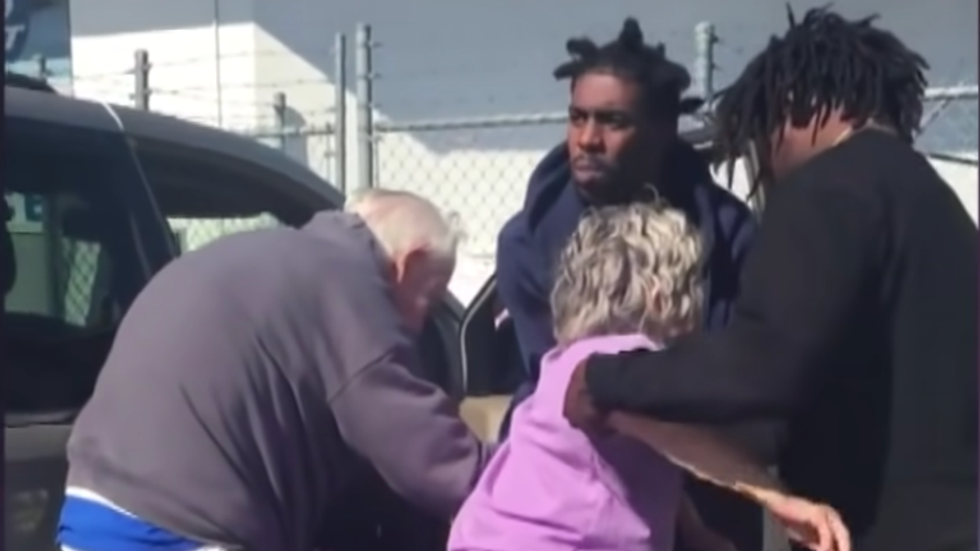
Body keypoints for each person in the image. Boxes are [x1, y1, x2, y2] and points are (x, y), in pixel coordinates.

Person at [564, 7, 978, 551]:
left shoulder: (827, 189)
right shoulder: (939, 207)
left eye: (762, 133)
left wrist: (605, 379)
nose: (769, 162)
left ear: (793, 105)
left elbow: (760, 366)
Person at [57, 189, 494, 551]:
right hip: (182, 528)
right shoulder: (352, 288)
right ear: (409, 263)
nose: (420, 325)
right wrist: (518, 476)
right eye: (430, 300)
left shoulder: (260, 253)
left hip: (87, 509)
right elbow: (422, 446)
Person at [495, 17, 762, 550]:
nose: (587, 139)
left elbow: (732, 379)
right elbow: (561, 387)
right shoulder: (527, 241)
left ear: (662, 130)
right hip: (567, 495)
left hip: (703, 480)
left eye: (612, 121)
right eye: (577, 118)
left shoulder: (728, 236)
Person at [451, 203, 851, 551]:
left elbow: (645, 461)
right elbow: (674, 437)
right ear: (661, 293)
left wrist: (695, 533)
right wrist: (775, 496)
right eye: (693, 284)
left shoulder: (564, 361)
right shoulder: (616, 359)